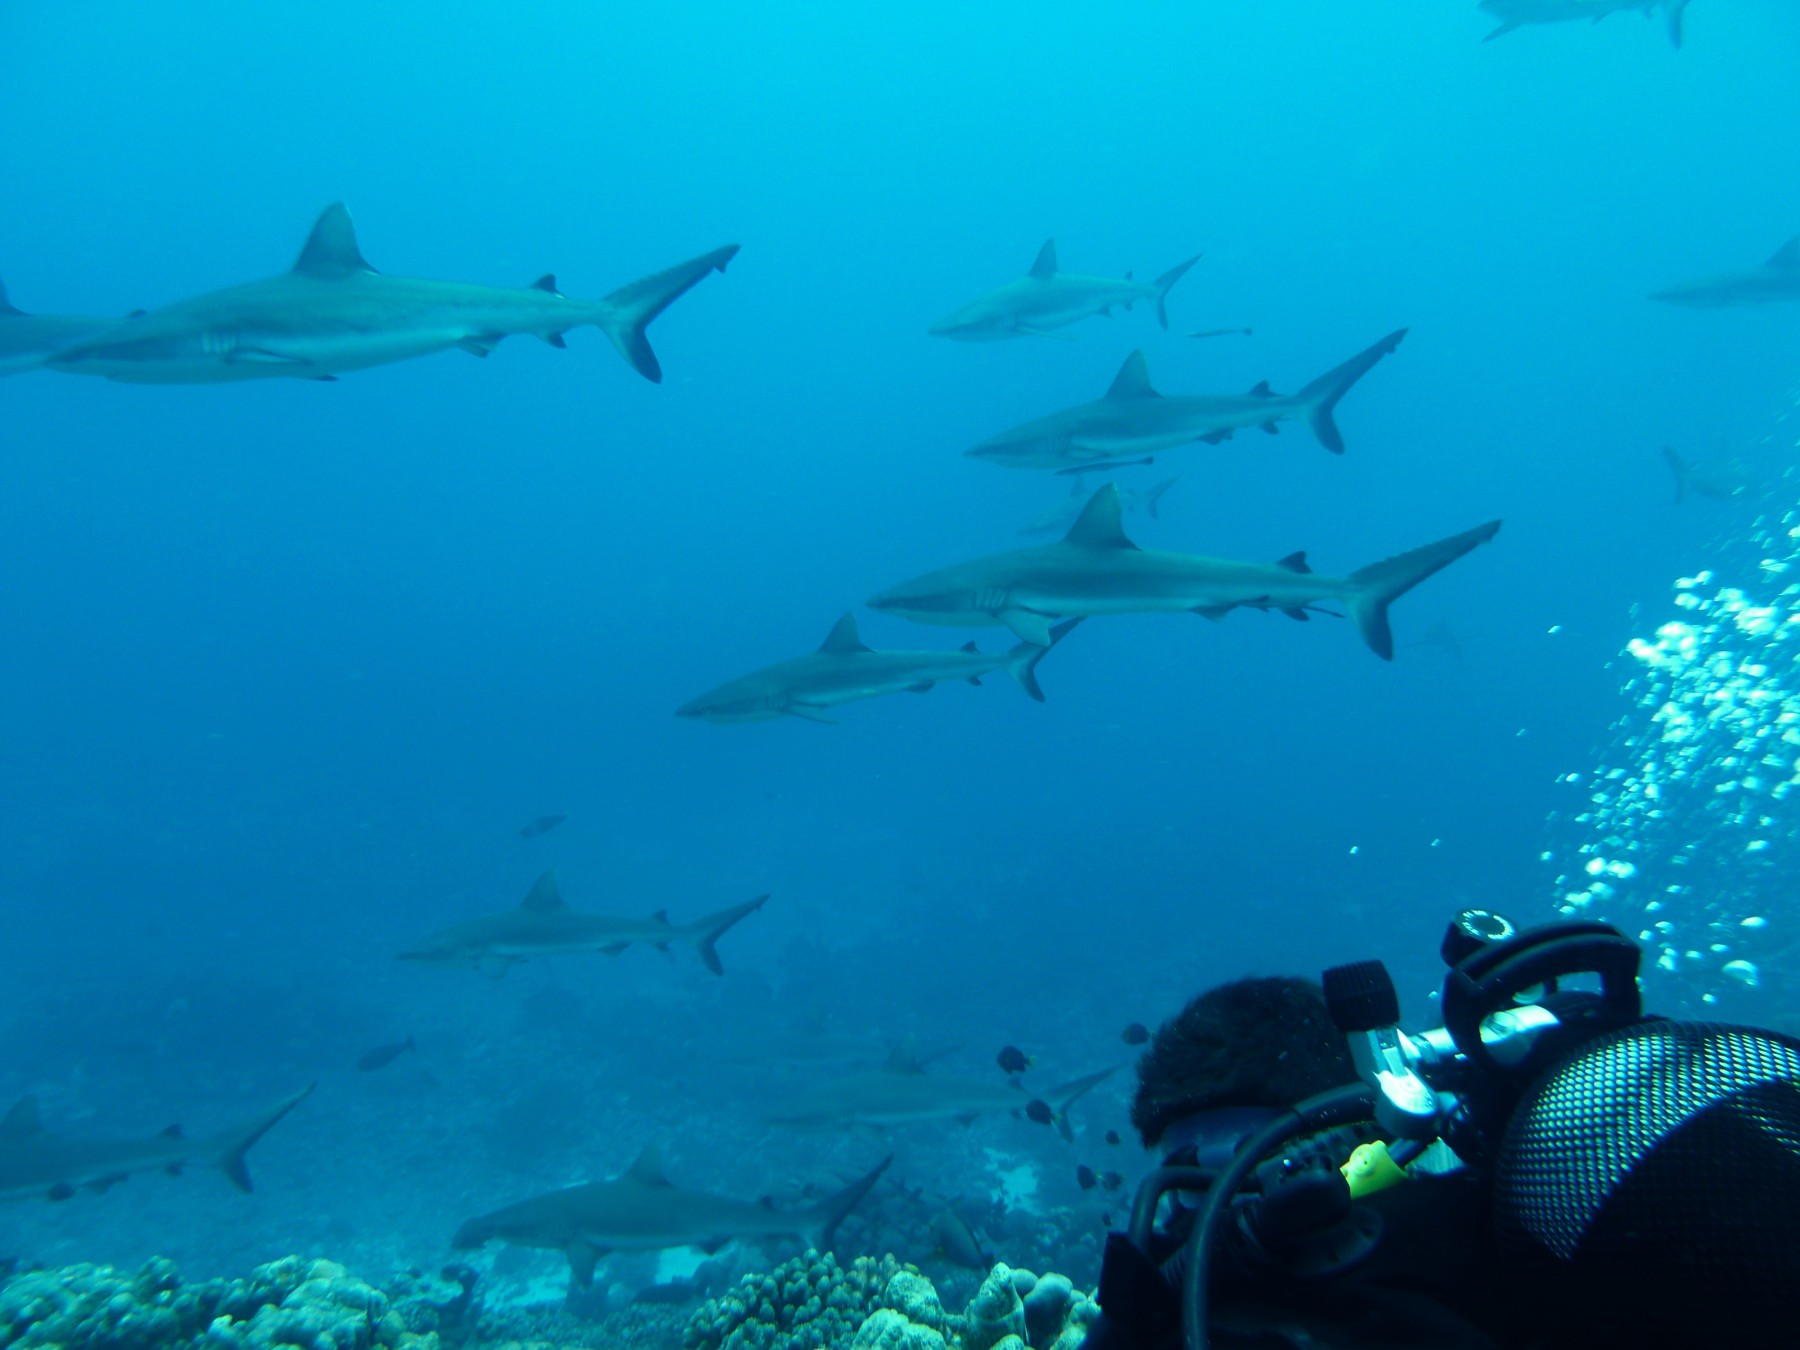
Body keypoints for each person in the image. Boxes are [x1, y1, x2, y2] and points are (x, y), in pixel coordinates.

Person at [1089, 918, 1800, 1350]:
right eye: (1182, 1173)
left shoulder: (1342, 1309)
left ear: (1347, 1136)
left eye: (1228, 1155)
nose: (1197, 1207)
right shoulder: (1511, 1227)